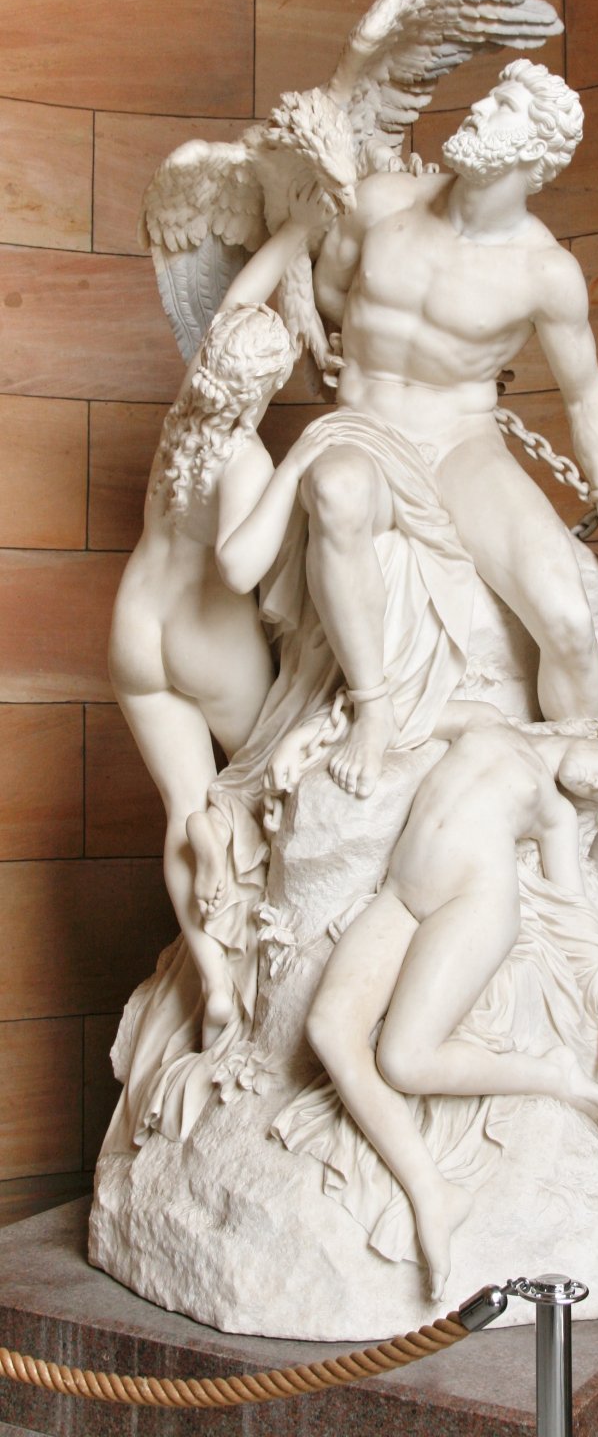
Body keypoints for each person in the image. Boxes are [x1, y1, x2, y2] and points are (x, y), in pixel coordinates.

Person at [222, 60, 598, 800]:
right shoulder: (382, 203)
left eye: (505, 105)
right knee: (337, 491)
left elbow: (586, 395)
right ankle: (374, 711)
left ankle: (573, 815)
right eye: (491, 94)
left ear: (536, 153)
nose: (481, 107)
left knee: (568, 621)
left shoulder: (545, 272)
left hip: (461, 443)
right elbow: (328, 293)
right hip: (365, 425)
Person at [284, 701, 598, 1297]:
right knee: (328, 1027)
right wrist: (307, 734)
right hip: (402, 894)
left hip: (475, 903)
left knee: (403, 1060)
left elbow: (576, 910)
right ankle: (433, 1191)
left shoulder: (556, 814)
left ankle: (552, 1076)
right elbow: (399, 719)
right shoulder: (486, 720)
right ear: (595, 733)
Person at [109, 303, 328, 1045]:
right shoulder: (246, 458)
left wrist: (293, 246)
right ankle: (262, 942)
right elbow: (237, 568)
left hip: (137, 626)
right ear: (266, 385)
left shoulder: (182, 418)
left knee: (182, 806)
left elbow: (237, 310)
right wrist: (294, 465)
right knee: (264, 789)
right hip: (210, 641)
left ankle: (214, 983)